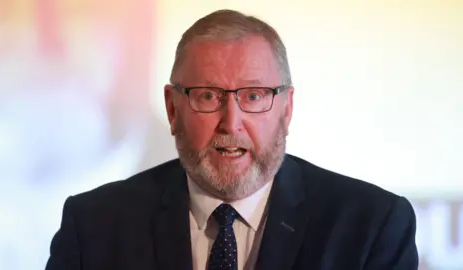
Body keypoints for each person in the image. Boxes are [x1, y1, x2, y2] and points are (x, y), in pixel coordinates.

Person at [45, 9, 418, 270]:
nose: (231, 122)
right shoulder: (94, 226)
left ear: (286, 111)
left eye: (253, 97)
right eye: (208, 96)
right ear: (173, 110)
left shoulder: (371, 226)